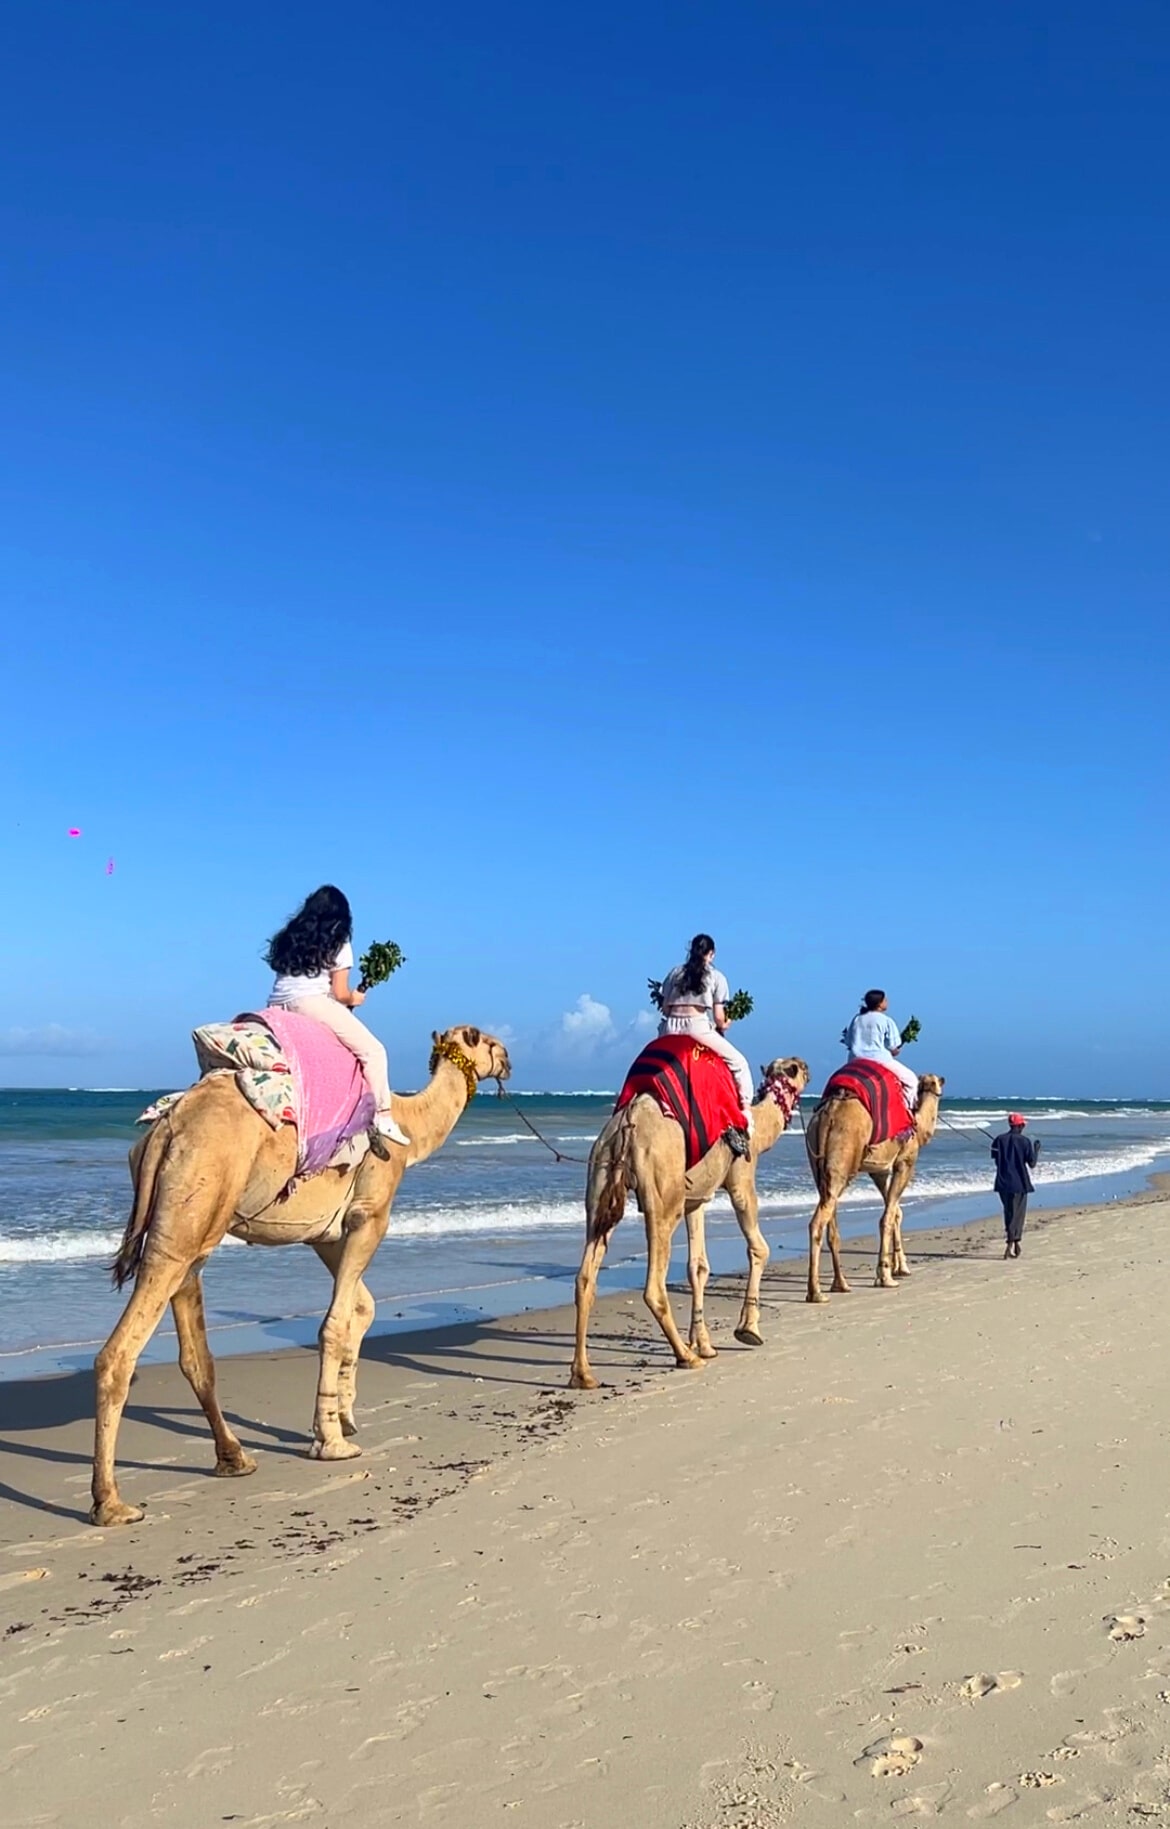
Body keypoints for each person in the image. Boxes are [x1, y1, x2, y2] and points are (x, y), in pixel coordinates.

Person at [265, 885, 410, 1148]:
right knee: (374, 1051)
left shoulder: (290, 936)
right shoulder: (340, 942)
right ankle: (383, 1116)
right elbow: (340, 993)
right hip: (310, 1004)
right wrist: (355, 999)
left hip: (275, 1005)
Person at [657, 933, 754, 1130]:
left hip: (670, 1028)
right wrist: (726, 1023)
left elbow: (665, 1009)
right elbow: (719, 1018)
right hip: (696, 1027)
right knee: (739, 1063)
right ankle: (745, 1111)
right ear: (711, 954)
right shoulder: (716, 977)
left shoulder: (674, 973)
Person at [840, 989, 919, 1113]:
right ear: (880, 1004)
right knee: (911, 1081)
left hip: (854, 1061)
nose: (887, 1002)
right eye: (885, 1000)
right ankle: (904, 1111)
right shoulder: (886, 1020)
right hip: (879, 1060)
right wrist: (895, 1051)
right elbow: (893, 1046)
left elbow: (849, 1042)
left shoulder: (856, 1019)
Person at [991, 1113, 1040, 1259]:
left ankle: (1014, 1241)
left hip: (1003, 1182)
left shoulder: (999, 1140)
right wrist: (1036, 1150)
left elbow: (996, 1160)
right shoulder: (1025, 1142)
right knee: (1018, 1215)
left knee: (1009, 1213)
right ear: (1020, 1126)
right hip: (1019, 1183)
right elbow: (1032, 1164)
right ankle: (1011, 1242)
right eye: (1022, 1125)